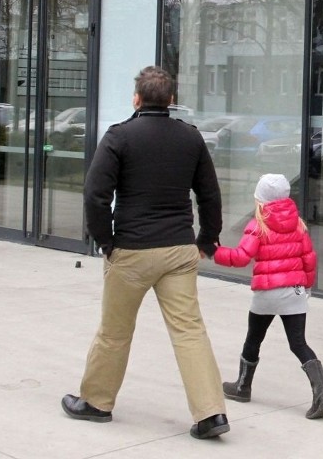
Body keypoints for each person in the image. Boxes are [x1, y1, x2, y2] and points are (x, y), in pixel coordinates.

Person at [62, 66, 229, 440]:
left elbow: (95, 195)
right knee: (190, 331)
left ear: (136, 99)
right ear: (171, 100)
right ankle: (211, 413)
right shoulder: (191, 137)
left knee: (114, 333)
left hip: (133, 250)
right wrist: (208, 239)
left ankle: (96, 402)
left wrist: (106, 242)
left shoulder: (120, 137)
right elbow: (210, 193)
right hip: (179, 250)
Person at [215, 173, 323, 420]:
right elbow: (308, 259)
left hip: (267, 293)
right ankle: (321, 392)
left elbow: (240, 257)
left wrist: (214, 252)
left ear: (260, 199)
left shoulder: (258, 225)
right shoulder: (299, 224)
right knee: (298, 343)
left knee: (253, 340)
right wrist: (307, 287)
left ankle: (242, 387)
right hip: (295, 291)